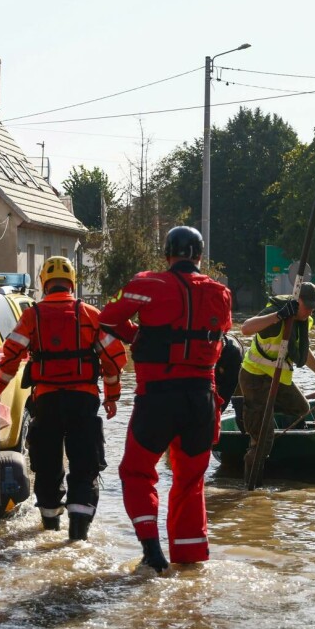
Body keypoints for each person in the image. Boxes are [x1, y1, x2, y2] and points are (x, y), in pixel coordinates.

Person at [98, 226, 231, 573]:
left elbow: (107, 317)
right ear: (199, 256)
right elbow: (221, 338)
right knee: (190, 481)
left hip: (157, 397)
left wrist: (139, 336)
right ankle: (189, 562)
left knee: (136, 473)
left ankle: (151, 552)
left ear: (167, 254)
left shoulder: (147, 284)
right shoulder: (222, 293)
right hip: (201, 401)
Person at [0, 256, 126, 541]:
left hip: (47, 401)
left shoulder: (31, 315)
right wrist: (112, 396)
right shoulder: (89, 313)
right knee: (84, 466)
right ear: (72, 284)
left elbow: (10, 359)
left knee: (47, 464)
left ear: (44, 284)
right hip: (83, 401)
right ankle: (78, 535)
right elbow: (114, 360)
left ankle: (50, 527)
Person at [238, 282, 315, 487]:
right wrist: (279, 315)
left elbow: (302, 352)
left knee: (301, 408)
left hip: (278, 380)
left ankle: (257, 417)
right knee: (264, 439)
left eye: (313, 307)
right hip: (255, 378)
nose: (309, 311)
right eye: (306, 306)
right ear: (296, 300)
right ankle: (251, 489)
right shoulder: (277, 314)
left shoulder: (304, 320)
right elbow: (246, 328)